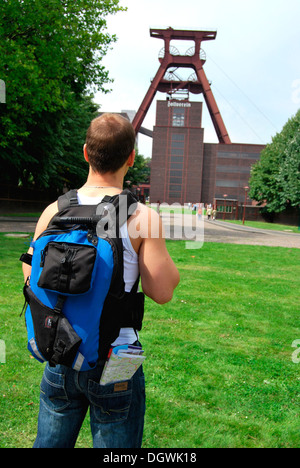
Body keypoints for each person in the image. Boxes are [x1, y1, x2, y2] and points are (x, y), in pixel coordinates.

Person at [22, 113, 180, 448]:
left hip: (61, 349)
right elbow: (162, 291)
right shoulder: (141, 217)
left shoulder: (55, 211)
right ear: (131, 158)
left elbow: (29, 272)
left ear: (85, 153)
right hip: (119, 357)